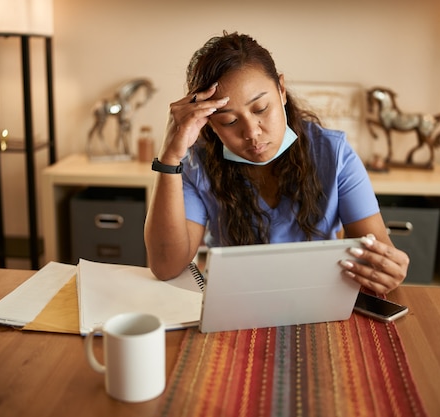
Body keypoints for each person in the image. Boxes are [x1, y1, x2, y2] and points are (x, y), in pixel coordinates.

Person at [144, 32, 409, 294]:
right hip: (233, 305)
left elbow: (375, 250)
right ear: (209, 122)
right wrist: (169, 159)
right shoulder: (196, 164)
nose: (251, 132)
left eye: (260, 109)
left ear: (281, 90)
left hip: (316, 300)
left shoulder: (333, 153)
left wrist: (386, 268)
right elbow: (166, 267)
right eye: (228, 121)